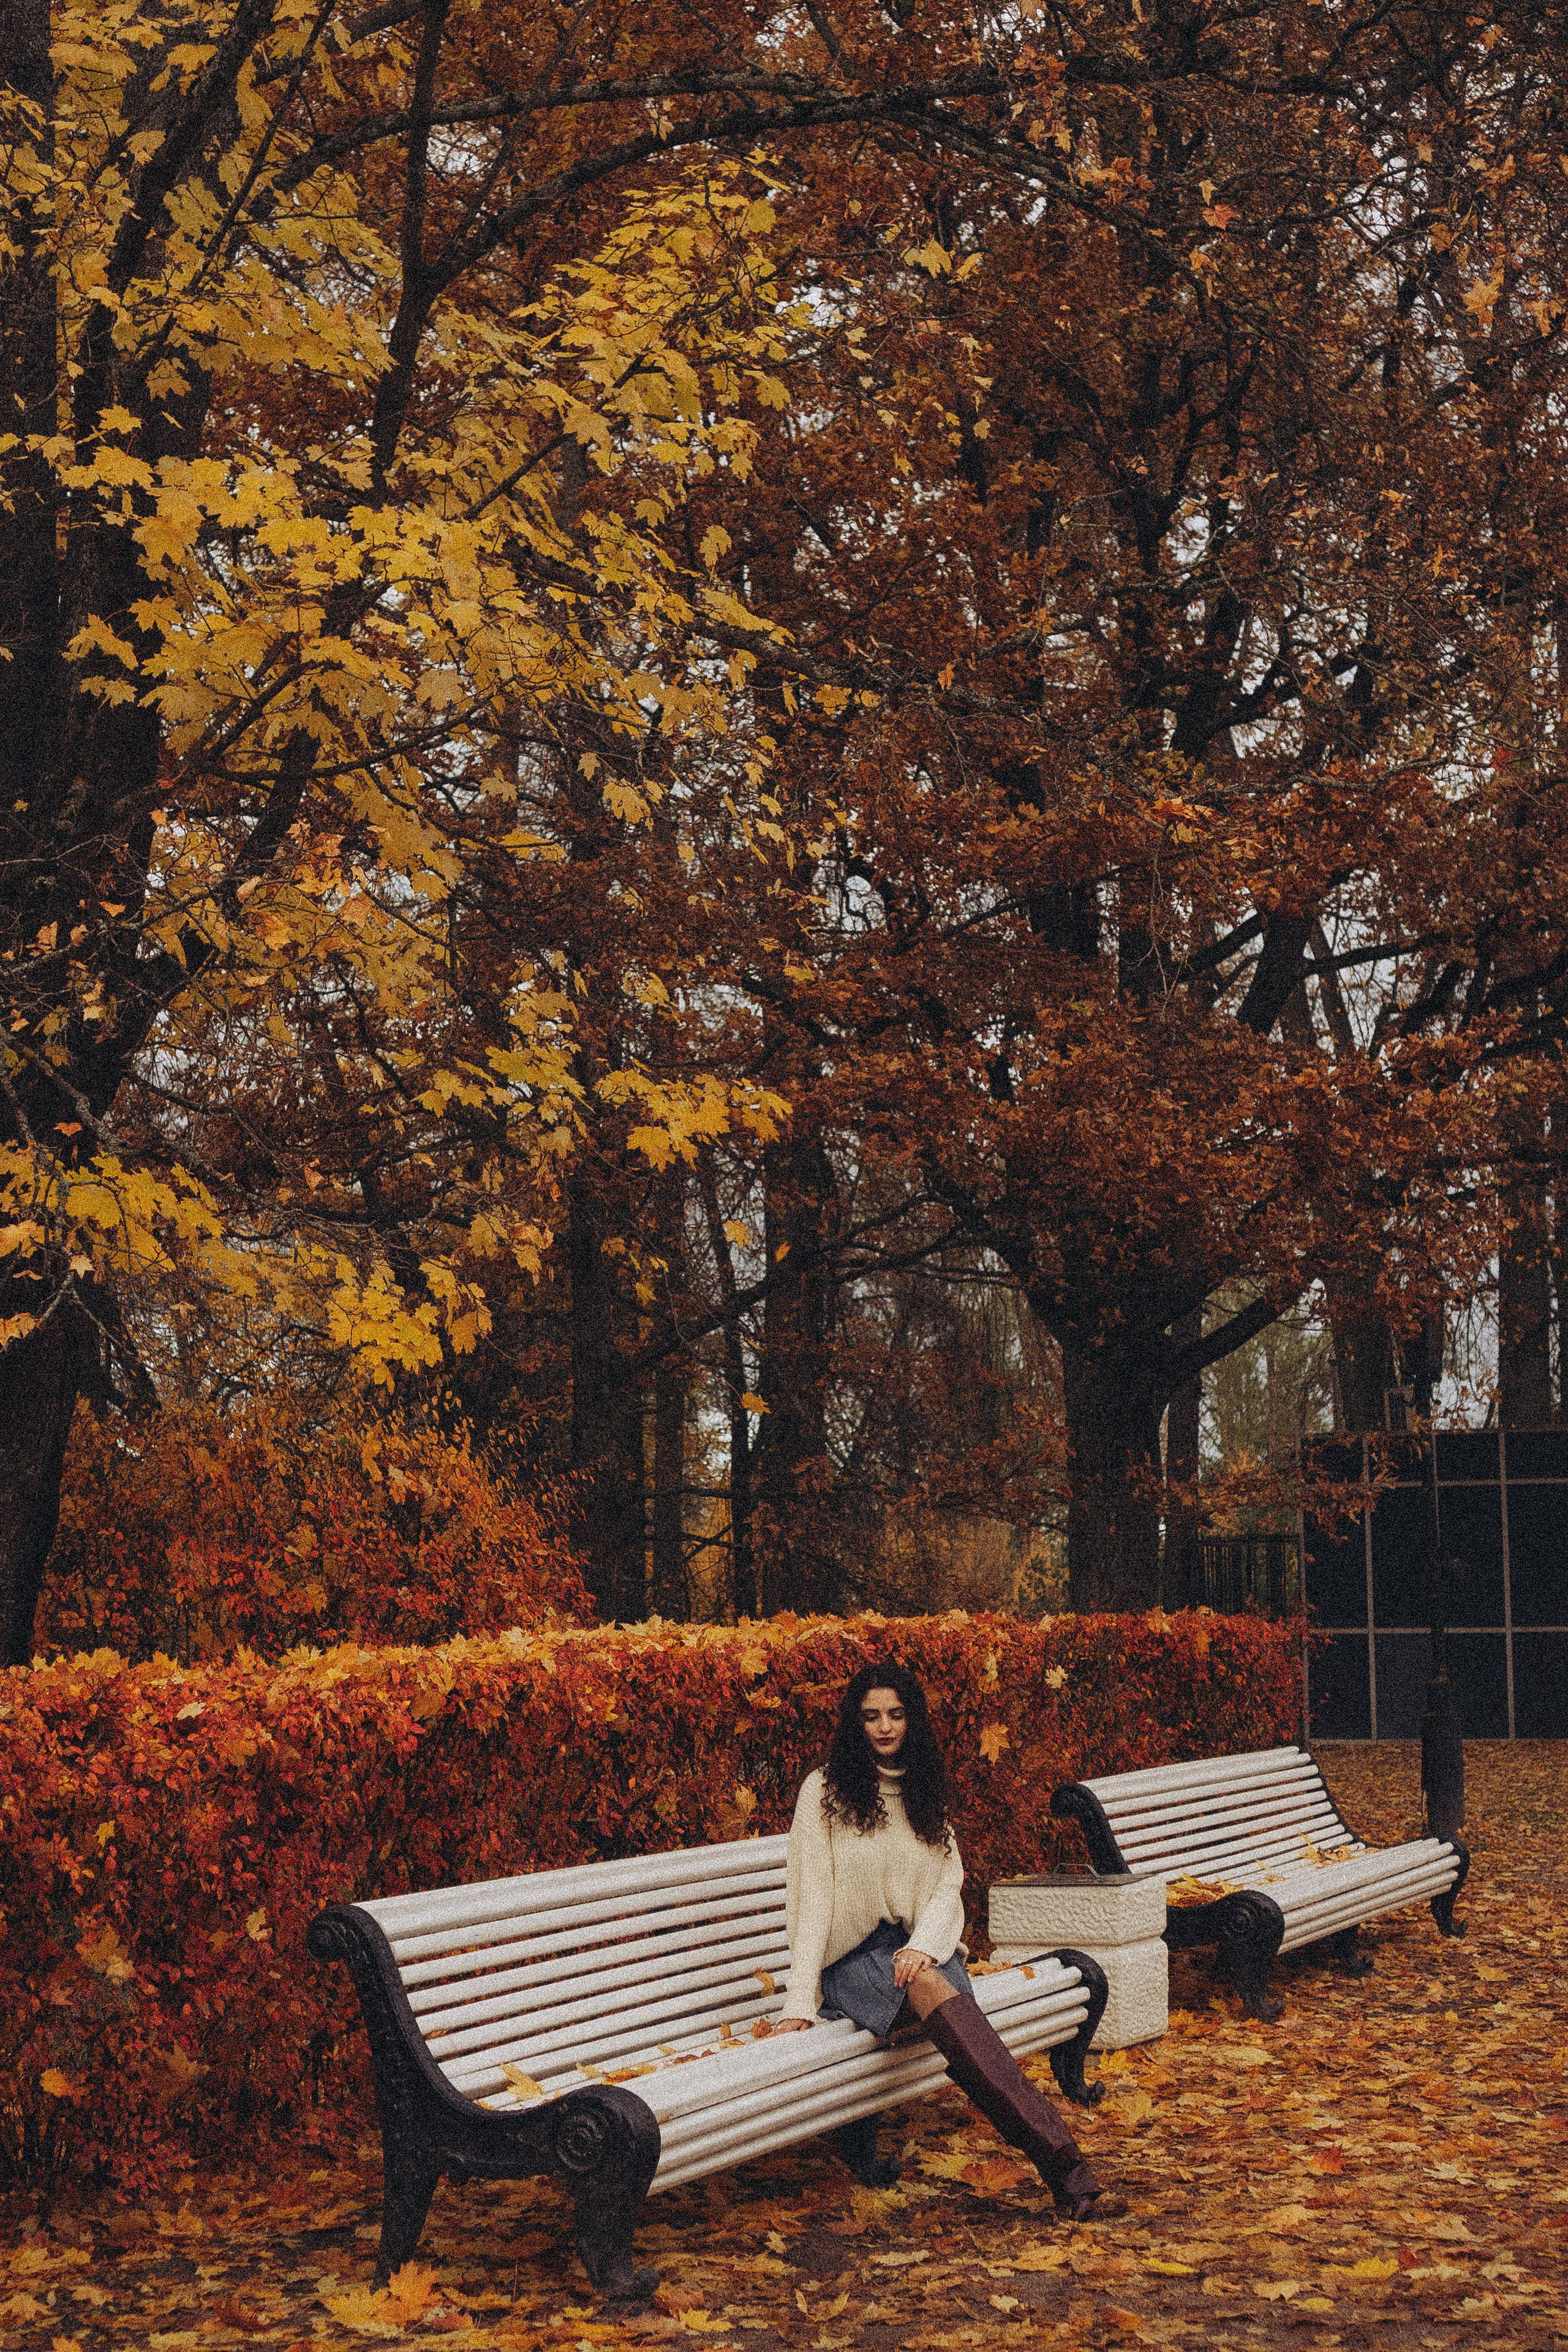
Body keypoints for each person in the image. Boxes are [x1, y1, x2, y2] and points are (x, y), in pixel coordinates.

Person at [775, 1661, 1120, 2222]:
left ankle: (1061, 2164)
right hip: (852, 1962)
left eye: (896, 1714)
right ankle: (1065, 2167)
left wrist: (924, 1946)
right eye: (870, 1717)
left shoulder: (923, 1787)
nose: (884, 1727)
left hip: (919, 1948)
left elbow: (946, 1882)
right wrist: (799, 2001)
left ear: (912, 1720)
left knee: (939, 1996)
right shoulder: (824, 1791)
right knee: (941, 1999)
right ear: (853, 1723)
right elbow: (811, 1898)